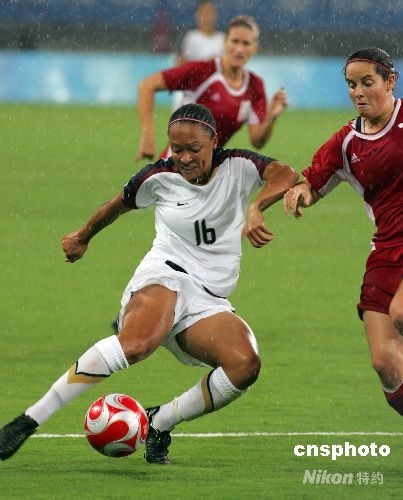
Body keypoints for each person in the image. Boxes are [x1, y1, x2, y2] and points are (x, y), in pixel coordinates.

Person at [0, 103, 297, 464]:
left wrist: (257, 206)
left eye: (194, 149)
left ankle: (160, 421)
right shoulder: (158, 176)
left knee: (244, 364)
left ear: (214, 142)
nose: (184, 158)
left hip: (208, 299)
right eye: (177, 149)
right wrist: (82, 236)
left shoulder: (239, 166)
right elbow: (116, 205)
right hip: (165, 273)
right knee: (137, 344)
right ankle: (29, 420)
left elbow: (285, 173)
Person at [283, 48, 403, 416]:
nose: (358, 92)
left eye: (367, 82)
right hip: (387, 249)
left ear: (390, 81)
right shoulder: (347, 142)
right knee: (385, 362)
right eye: (352, 85)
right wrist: (301, 192)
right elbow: (313, 181)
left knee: (401, 313)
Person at [135, 15, 288, 161]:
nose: (239, 49)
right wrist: (148, 134)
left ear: (255, 48)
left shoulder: (255, 85)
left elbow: (257, 141)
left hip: (209, 171)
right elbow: (147, 85)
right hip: (175, 167)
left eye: (246, 43)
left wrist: (272, 117)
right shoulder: (202, 70)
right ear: (225, 42)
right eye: (235, 41)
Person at [172, 1, 225, 110]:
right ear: (197, 15)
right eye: (205, 12)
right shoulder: (189, 37)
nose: (208, 16)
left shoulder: (223, 39)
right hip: (191, 93)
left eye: (210, 12)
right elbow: (179, 64)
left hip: (215, 93)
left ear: (216, 15)